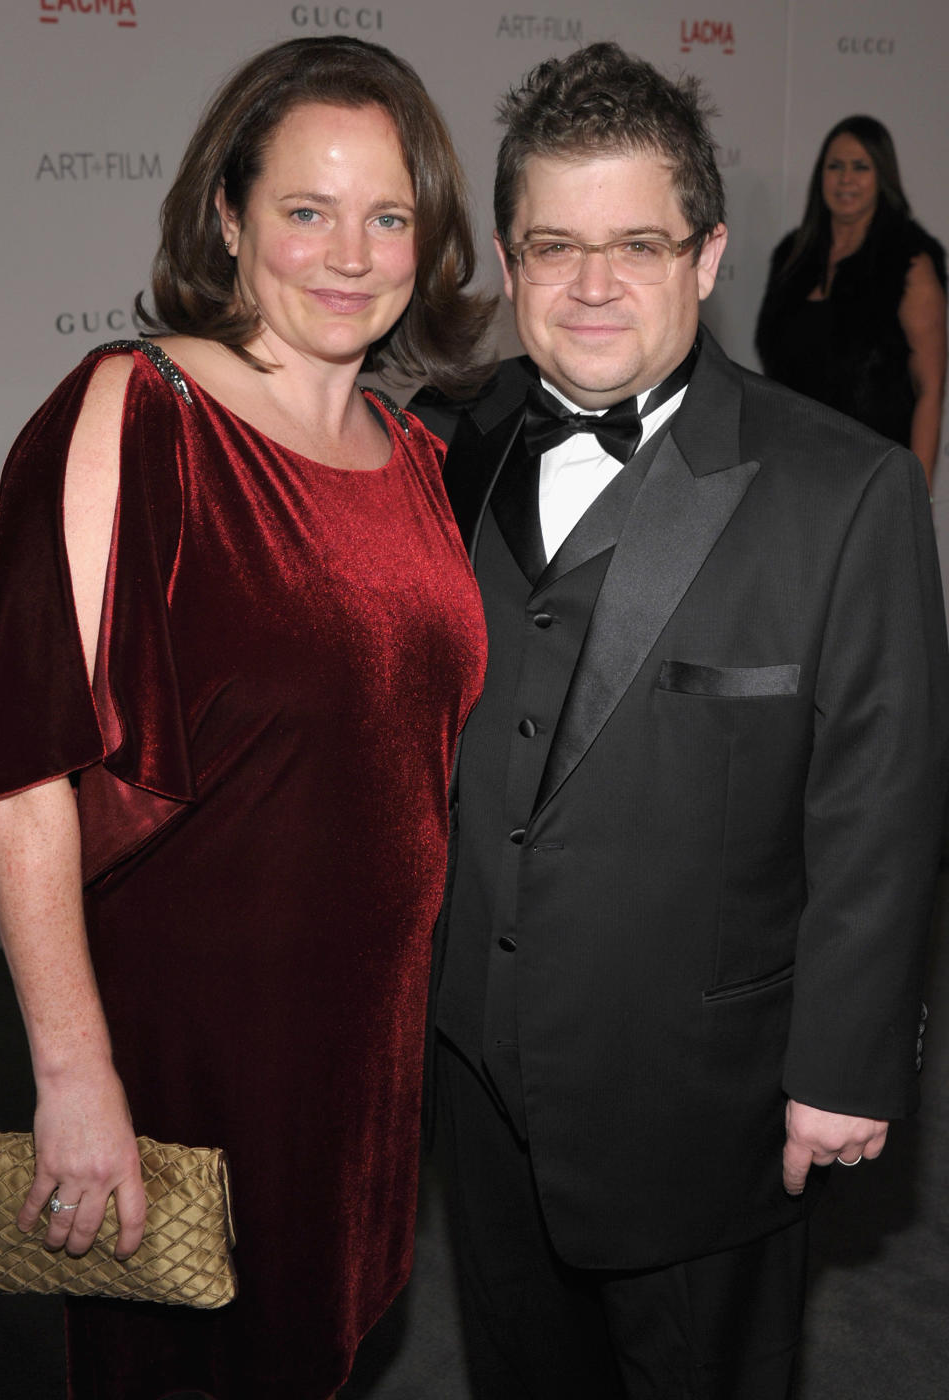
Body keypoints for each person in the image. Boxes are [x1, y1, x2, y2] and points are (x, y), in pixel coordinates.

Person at [411, 43, 949, 1400]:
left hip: (705, 1104)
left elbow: (881, 803)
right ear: (507, 256)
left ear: (707, 256)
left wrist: (845, 1064)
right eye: (555, 246)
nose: (594, 286)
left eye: (639, 245)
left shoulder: (846, 493)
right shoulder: (448, 441)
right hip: (478, 1076)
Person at [0, 36, 491, 1400]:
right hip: (183, 1050)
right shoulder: (142, 411)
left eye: (388, 215)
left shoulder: (424, 464)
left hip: (367, 1057)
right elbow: (24, 771)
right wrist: (75, 1075)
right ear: (229, 216)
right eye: (307, 210)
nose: (352, 252)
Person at [756, 115, 947, 486]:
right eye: (835, 166)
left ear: (883, 176)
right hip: (788, 471)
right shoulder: (792, 258)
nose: (846, 179)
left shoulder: (909, 261)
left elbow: (930, 389)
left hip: (871, 478)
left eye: (861, 167)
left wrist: (913, 498)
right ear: (820, 176)